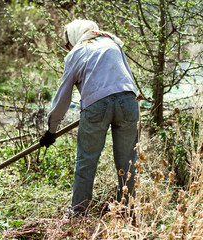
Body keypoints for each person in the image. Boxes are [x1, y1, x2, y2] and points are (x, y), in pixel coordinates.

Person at [39, 19, 139, 217]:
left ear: (74, 38)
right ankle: (127, 212)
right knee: (128, 162)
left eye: (67, 44)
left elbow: (62, 97)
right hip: (129, 102)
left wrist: (51, 129)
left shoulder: (77, 52)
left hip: (97, 106)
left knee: (86, 161)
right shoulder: (112, 43)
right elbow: (125, 79)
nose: (68, 48)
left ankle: (78, 213)